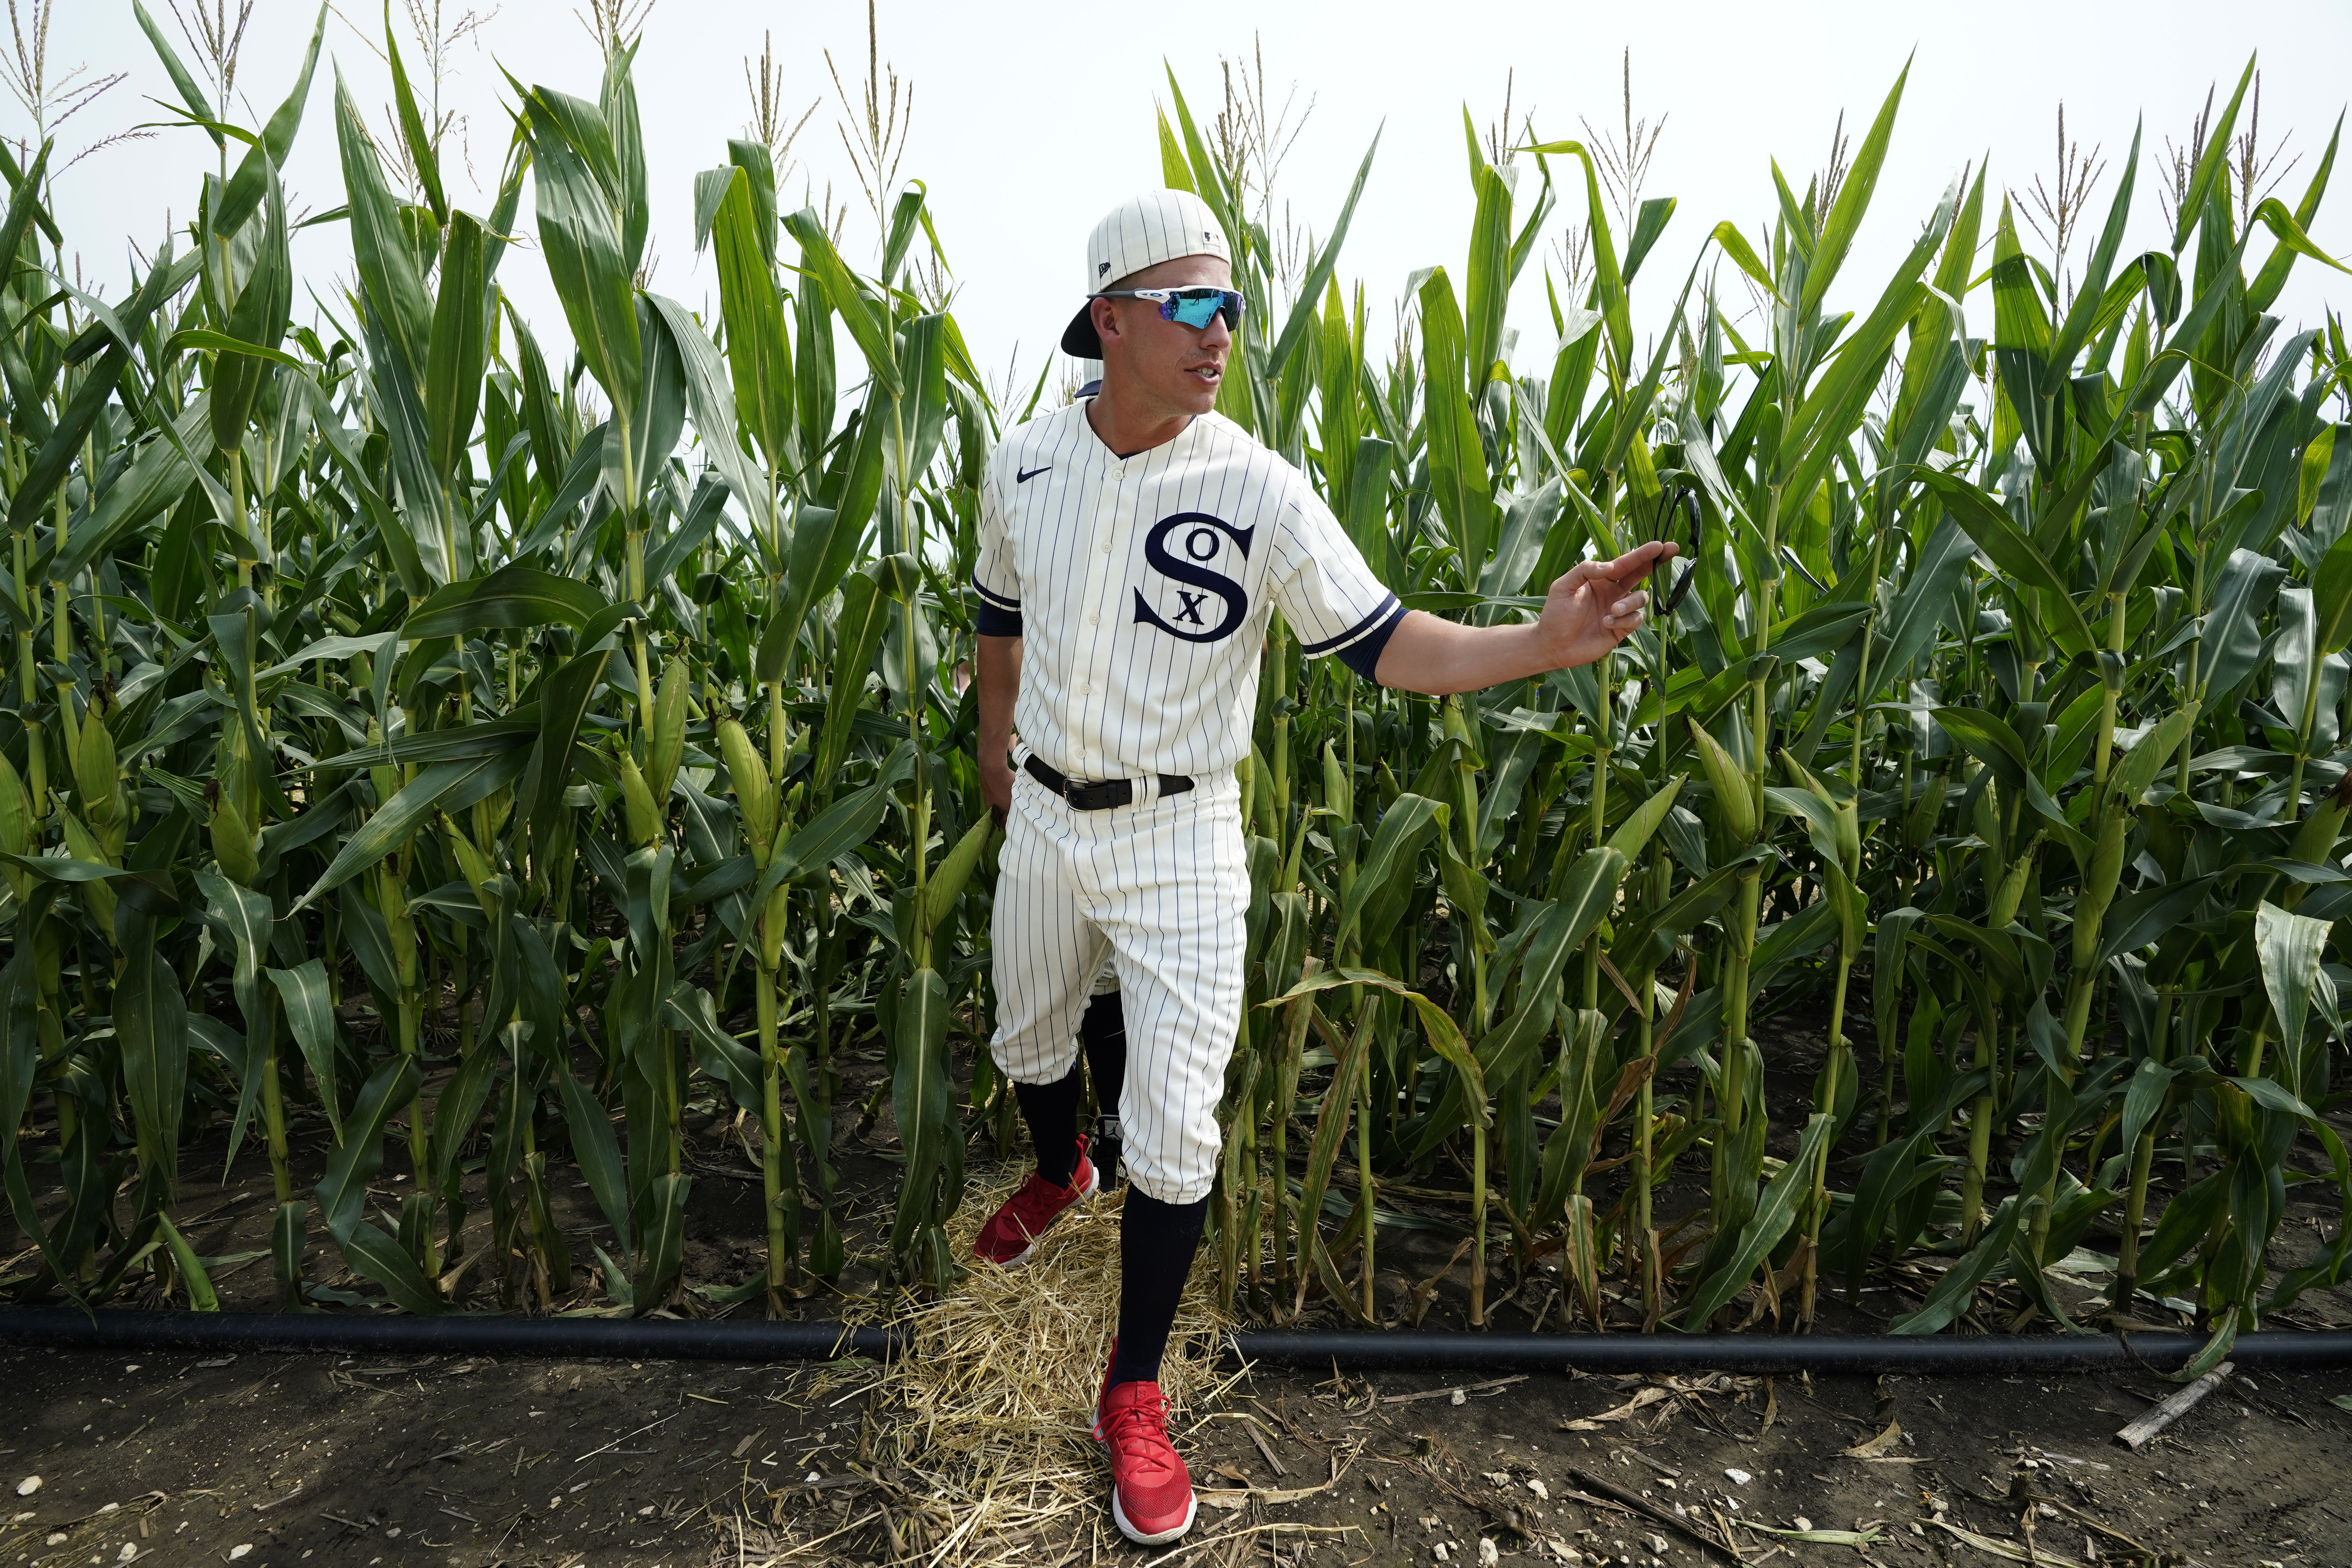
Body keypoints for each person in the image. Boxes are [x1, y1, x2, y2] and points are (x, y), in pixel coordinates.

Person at [968, 190, 1675, 1546]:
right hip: (1050, 821)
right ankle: (1062, 1168)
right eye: (1192, 307)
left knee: (1176, 1130)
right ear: (1109, 318)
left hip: (1181, 838)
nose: (1222, 331)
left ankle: (1133, 1389)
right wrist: (996, 751)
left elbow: (1391, 643)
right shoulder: (1025, 466)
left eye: (1234, 306)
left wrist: (1538, 640)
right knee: (1027, 1036)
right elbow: (998, 614)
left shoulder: (1257, 489)